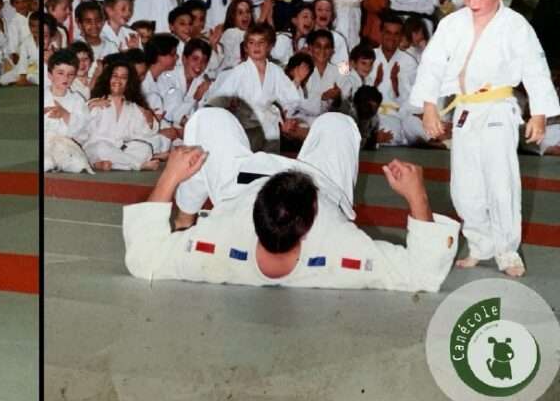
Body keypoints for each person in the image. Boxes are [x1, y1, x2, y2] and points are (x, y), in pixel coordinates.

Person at [122, 109, 461, 293]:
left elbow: (143, 259)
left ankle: (186, 217)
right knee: (336, 123)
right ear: (313, 216)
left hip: (244, 181)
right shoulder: (341, 247)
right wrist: (417, 195)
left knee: (207, 119)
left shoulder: (218, 239)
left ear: (255, 212)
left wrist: (171, 176)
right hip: (323, 184)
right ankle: (186, 212)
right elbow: (422, 275)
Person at [412, 0, 560, 277]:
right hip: (465, 109)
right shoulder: (452, 23)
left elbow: (535, 69)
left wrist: (539, 114)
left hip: (497, 108)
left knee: (500, 181)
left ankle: (507, 251)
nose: (472, 2)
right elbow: (432, 65)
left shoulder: (515, 26)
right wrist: (428, 107)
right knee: (464, 186)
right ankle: (480, 243)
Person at [79, 59, 161, 172]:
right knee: (101, 148)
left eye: (123, 77)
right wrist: (91, 107)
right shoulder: (97, 102)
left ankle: (106, 164)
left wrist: (149, 120)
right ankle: (138, 165)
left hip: (121, 149)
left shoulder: (133, 107)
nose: (118, 80)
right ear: (108, 79)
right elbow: (80, 127)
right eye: (115, 76)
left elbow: (143, 133)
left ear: (128, 82)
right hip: (96, 147)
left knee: (145, 149)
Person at [43, 48, 91, 173]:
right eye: (60, 73)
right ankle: (51, 164)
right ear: (49, 75)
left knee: (79, 165)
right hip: (43, 142)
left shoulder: (77, 100)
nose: (66, 78)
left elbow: (83, 129)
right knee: (46, 163)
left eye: (70, 74)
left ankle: (57, 164)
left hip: (65, 144)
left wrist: (65, 114)